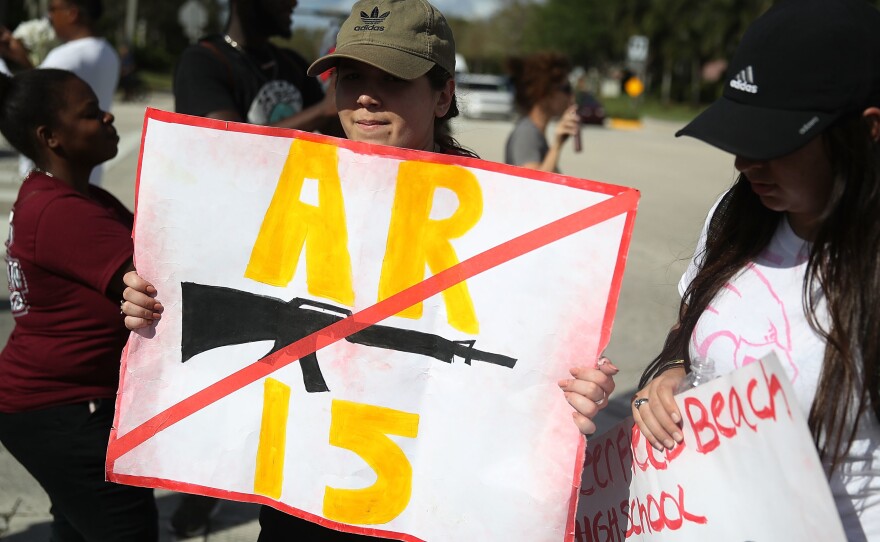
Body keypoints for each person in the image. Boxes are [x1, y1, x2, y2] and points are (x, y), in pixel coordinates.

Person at [124, 0, 479, 539]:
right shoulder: (284, 185)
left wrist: (567, 385)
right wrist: (152, 304)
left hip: (416, 501)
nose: (365, 95)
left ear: (444, 93)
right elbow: (201, 278)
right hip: (297, 498)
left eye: (393, 78)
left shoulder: (497, 213)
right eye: (352, 75)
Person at [560, 0, 880, 538]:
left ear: (868, 130)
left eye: (774, 143)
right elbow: (686, 335)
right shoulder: (737, 216)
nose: (745, 164)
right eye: (740, 138)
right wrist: (666, 374)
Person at [0, 68, 157, 541]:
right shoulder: (62, 211)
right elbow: (162, 284)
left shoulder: (71, 196)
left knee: (75, 526)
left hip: (55, 407)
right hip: (66, 412)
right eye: (90, 114)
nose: (108, 116)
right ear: (51, 137)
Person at [174, 0, 340, 134]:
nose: (293, 3)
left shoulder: (293, 63)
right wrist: (322, 111)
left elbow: (336, 130)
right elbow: (228, 141)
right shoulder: (201, 61)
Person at [0, 0, 120, 186]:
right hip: (87, 173)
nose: (49, 17)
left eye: (52, 10)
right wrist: (24, 61)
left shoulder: (65, 57)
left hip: (54, 174)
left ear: (72, 13)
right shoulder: (109, 53)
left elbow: (23, 103)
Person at [504, 51, 581, 172]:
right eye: (566, 89)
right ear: (545, 92)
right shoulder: (527, 133)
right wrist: (557, 145)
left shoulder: (535, 132)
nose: (571, 96)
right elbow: (534, 185)